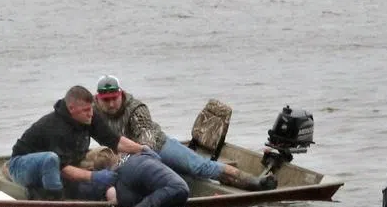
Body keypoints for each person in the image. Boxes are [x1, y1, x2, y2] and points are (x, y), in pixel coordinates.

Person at [92, 75, 276, 191]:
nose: (111, 104)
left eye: (114, 98)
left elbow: (147, 141)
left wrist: (128, 161)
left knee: (199, 167)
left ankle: (252, 181)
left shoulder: (136, 109)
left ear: (121, 94)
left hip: (157, 146)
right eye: (106, 100)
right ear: (97, 99)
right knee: (185, 179)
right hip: (125, 156)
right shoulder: (91, 112)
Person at [7, 85, 146, 200]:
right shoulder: (55, 127)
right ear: (71, 109)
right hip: (22, 165)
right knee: (51, 160)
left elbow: (115, 141)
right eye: (86, 110)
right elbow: (63, 168)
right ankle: (53, 199)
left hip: (65, 162)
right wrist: (94, 176)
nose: (91, 113)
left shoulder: (89, 116)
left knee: (105, 158)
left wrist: (142, 149)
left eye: (91, 108)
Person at [89, 146, 191, 207]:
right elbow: (154, 155)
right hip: (183, 190)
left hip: (169, 191)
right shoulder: (140, 154)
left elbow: (123, 201)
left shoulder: (118, 177)